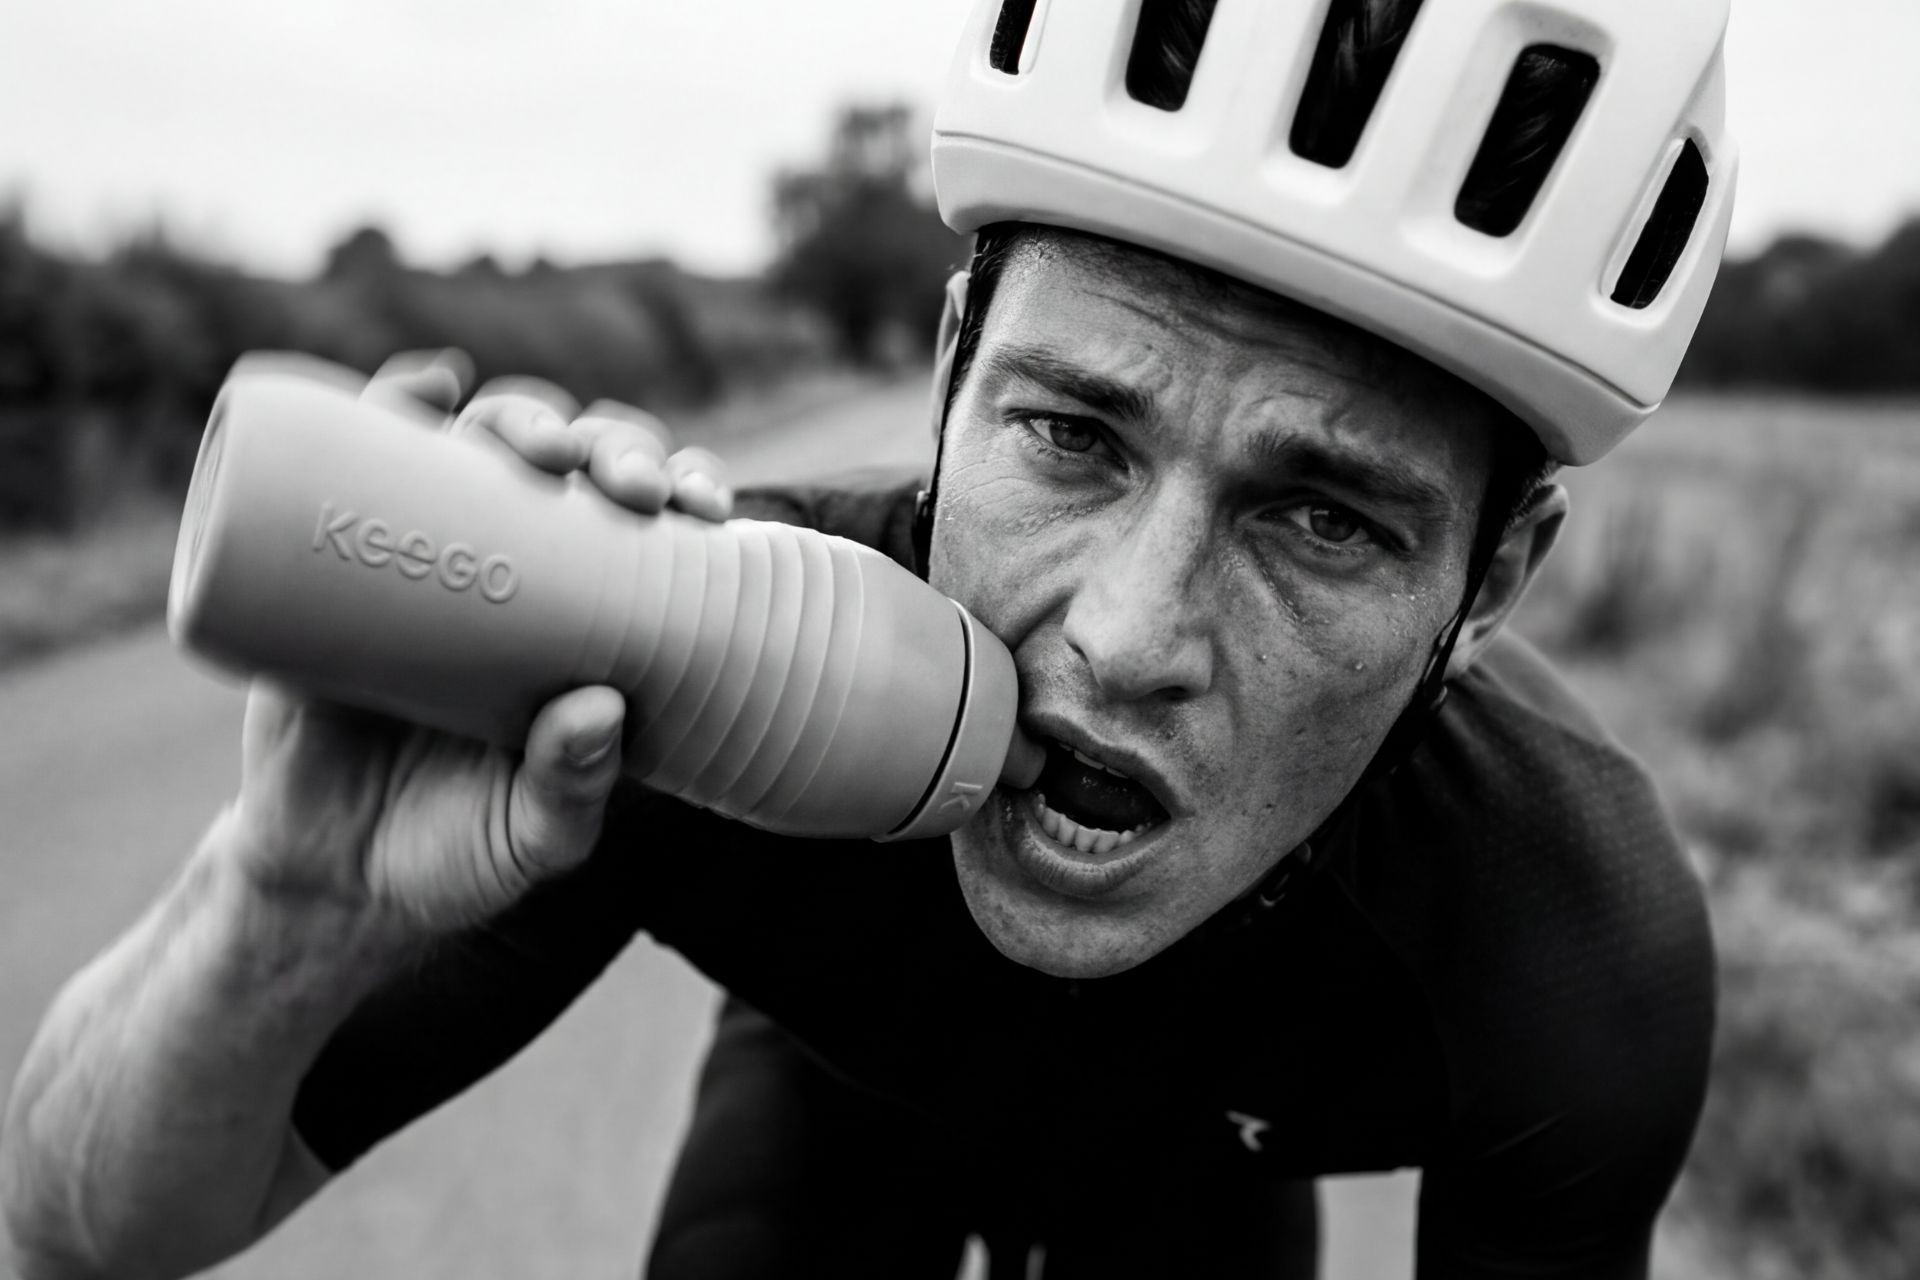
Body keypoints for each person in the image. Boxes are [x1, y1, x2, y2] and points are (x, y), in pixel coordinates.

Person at [1, 0, 1735, 1275]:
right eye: (1071, 435)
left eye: (1327, 519)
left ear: (1491, 585)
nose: (1128, 640)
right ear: (952, 368)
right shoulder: (671, 687)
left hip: (1203, 1201)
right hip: (835, 1113)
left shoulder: (1569, 940)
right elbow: (78, 1233)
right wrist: (282, 908)